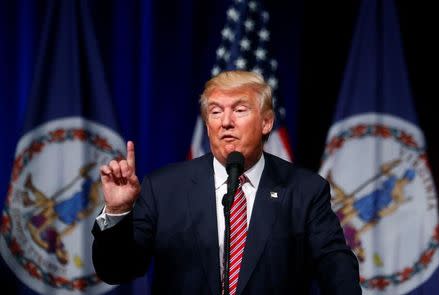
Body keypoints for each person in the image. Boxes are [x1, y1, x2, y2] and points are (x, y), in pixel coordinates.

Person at [91, 70, 361, 295]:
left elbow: (337, 271)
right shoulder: (164, 188)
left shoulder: (304, 190)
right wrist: (117, 211)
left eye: (240, 110)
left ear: (267, 122)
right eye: (216, 112)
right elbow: (116, 270)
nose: (226, 122)